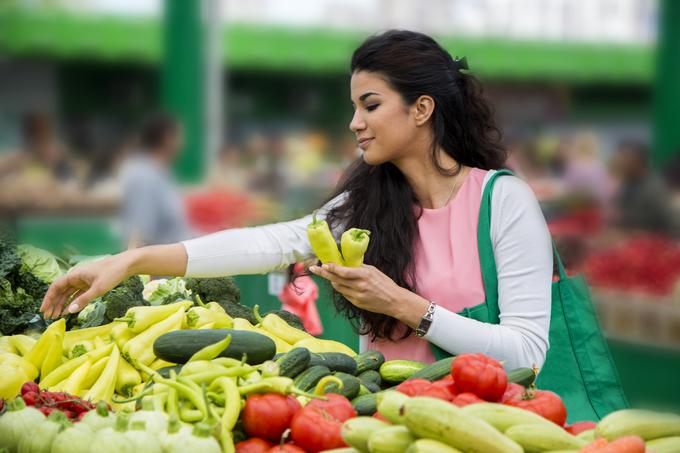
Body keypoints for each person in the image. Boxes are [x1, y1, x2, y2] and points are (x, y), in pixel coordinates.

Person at [40, 31, 552, 371]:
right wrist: (134, 260)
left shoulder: (503, 202)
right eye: (353, 106)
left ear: (422, 109)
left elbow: (527, 353)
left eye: (370, 105)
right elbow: (271, 242)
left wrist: (400, 303)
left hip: (484, 428)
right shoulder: (370, 204)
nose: (355, 123)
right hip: (384, 424)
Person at [118, 112, 192, 247]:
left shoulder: (161, 173)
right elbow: (139, 237)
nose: (183, 142)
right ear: (167, 138)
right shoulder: (144, 177)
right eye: (180, 136)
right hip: (162, 265)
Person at [609, 139, 673, 235]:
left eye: (626, 159)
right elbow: (617, 210)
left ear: (640, 162)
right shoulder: (627, 183)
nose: (621, 163)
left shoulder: (654, 188)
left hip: (650, 243)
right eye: (620, 158)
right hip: (627, 240)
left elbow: (667, 224)